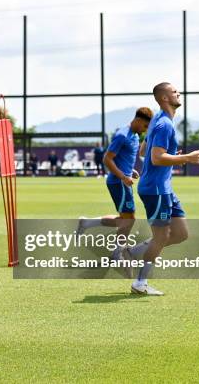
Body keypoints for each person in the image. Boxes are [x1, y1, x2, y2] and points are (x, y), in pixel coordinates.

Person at [127, 82, 199, 295]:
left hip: (164, 188)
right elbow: (155, 157)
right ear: (164, 98)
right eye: (174, 91)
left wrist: (172, 154)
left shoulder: (160, 120)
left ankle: (130, 253)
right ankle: (139, 283)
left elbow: (144, 150)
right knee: (160, 237)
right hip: (155, 189)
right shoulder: (164, 124)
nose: (179, 93)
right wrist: (185, 157)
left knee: (180, 234)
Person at [76, 107, 153, 276]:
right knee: (129, 220)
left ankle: (87, 224)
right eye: (145, 126)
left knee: (124, 220)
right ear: (138, 121)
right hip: (119, 183)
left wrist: (130, 170)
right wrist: (123, 177)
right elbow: (107, 159)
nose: (145, 130)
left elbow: (122, 158)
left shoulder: (134, 135)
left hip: (122, 181)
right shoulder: (122, 135)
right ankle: (117, 254)